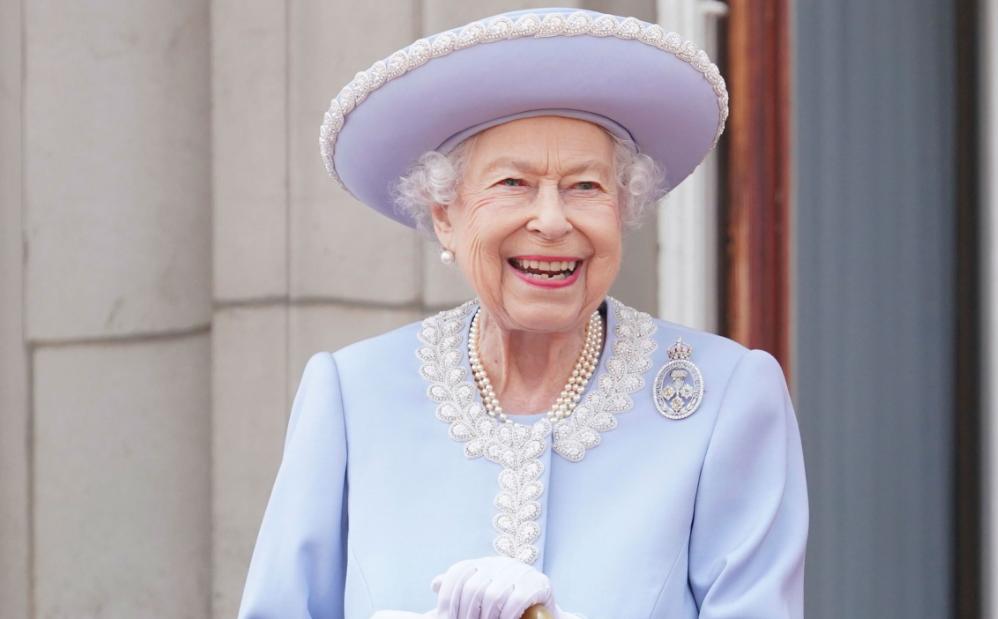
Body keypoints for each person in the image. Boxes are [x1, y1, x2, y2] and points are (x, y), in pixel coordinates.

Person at [238, 7, 808, 619]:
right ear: (445, 215)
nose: (553, 220)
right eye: (512, 183)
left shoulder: (725, 397)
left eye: (585, 187)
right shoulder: (352, 395)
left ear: (623, 209)